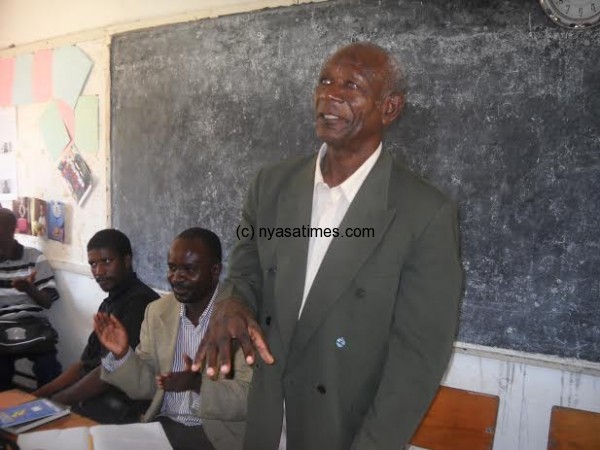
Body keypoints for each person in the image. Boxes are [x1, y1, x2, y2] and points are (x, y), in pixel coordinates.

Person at [193, 42, 464, 449]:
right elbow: (246, 267)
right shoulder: (271, 186)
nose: (330, 94)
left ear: (389, 108)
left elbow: (417, 361)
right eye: (324, 80)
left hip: (343, 430)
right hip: (266, 422)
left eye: (351, 85)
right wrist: (232, 301)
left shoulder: (424, 213)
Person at [95, 228, 252, 450]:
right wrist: (122, 354)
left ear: (215, 270)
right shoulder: (157, 312)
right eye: (172, 268)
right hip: (162, 425)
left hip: (216, 435)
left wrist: (197, 384)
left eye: (189, 269)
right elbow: (148, 387)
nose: (176, 278)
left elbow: (248, 399)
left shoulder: (238, 316)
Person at [34, 229, 159, 423]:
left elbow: (106, 373)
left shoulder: (141, 303)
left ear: (127, 260)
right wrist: (40, 394)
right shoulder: (109, 303)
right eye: (93, 264)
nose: (99, 272)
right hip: (100, 393)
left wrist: (57, 401)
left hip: (127, 401)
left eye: (107, 262)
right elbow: (84, 364)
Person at [0, 208, 61, 390]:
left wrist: (29, 288)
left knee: (49, 368)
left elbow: (47, 302)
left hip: (32, 323)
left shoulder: (34, 257)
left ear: (11, 230)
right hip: (1, 324)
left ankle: (50, 408)